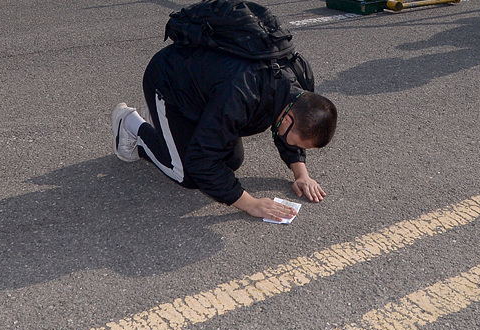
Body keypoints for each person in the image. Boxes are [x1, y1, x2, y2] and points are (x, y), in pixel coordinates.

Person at [111, 27, 338, 222]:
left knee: (231, 161)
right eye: (297, 143)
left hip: (207, 92)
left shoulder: (300, 84)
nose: (296, 146)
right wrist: (250, 203)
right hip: (170, 82)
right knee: (188, 174)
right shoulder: (242, 96)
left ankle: (164, 125)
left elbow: (293, 125)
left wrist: (301, 174)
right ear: (287, 119)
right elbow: (201, 161)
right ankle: (132, 125)